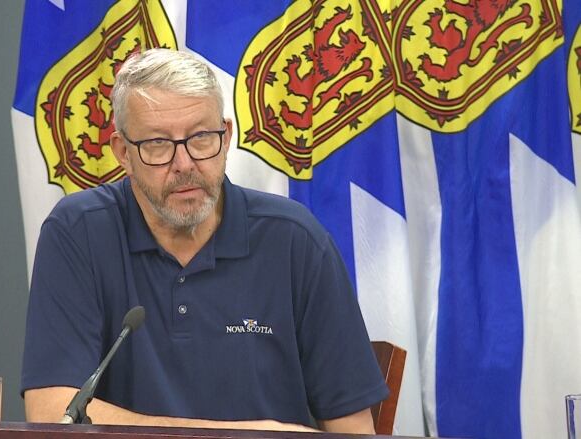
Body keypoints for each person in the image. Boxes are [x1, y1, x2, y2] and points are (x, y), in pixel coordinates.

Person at [21, 48, 388, 434]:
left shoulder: (295, 240)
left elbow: (353, 429)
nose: (185, 164)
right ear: (123, 154)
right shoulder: (79, 231)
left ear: (226, 137)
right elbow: (52, 415)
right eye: (158, 144)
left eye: (200, 138)